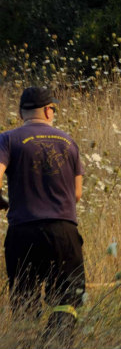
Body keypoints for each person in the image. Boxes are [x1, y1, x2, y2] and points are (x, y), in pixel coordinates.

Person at [0, 87, 85, 344]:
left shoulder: (8, 139)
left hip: (22, 232)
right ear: (49, 110)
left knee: (24, 297)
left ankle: (26, 342)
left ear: (20, 112)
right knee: (68, 295)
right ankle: (57, 339)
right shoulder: (69, 142)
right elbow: (77, 193)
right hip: (63, 231)